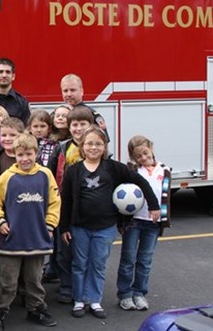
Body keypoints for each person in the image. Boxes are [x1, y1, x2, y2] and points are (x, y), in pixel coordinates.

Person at [60, 127, 160, 319]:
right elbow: (66, 201)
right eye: (89, 143)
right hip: (79, 227)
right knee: (80, 264)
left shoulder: (113, 168)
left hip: (105, 228)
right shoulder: (74, 171)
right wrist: (64, 227)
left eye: (98, 144)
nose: (93, 147)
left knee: (98, 264)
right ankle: (79, 300)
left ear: (104, 147)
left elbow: (140, 181)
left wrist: (154, 205)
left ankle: (94, 300)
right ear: (82, 146)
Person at [0, 133, 60, 329]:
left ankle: (35, 309)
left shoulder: (45, 175)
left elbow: (54, 203)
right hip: (13, 240)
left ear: (36, 153)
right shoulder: (7, 177)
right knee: (6, 281)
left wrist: (50, 224)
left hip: (37, 239)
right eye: (20, 155)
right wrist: (0, 221)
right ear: (14, 155)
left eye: (29, 154)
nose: (25, 159)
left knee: (34, 280)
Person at [116, 136, 171, 311]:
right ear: (133, 158)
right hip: (134, 222)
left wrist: (163, 220)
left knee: (145, 260)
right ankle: (124, 294)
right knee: (128, 259)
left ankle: (139, 293)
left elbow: (166, 198)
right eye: (138, 156)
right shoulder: (132, 170)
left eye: (145, 153)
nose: (143, 158)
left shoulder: (165, 170)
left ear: (151, 148)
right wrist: (122, 221)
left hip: (152, 224)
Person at [47, 106, 94, 304]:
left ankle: (83, 287)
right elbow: (49, 173)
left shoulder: (95, 146)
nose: (78, 128)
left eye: (83, 124)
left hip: (87, 206)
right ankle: (66, 286)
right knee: (63, 251)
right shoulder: (63, 148)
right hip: (63, 206)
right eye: (74, 124)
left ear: (90, 126)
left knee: (85, 252)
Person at [60, 74, 108, 138]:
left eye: (73, 90)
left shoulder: (92, 115)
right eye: (65, 91)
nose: (69, 94)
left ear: (82, 91)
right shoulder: (59, 115)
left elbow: (103, 140)